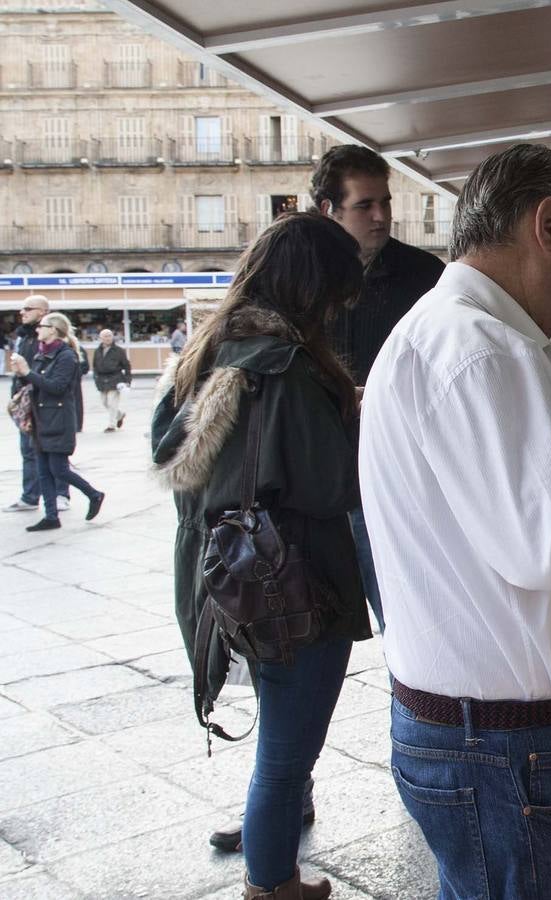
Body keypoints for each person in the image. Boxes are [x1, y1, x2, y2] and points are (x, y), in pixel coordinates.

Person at [359, 142, 551, 900]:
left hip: (496, 746)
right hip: (505, 751)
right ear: (548, 225)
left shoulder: (465, 337)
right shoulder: (479, 348)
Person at [151, 213, 373, 900]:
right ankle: (271, 882)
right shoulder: (285, 367)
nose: (339, 309)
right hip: (294, 582)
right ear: (313, 287)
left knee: (279, 744)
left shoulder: (212, 351)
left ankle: (267, 855)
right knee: (286, 755)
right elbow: (334, 481)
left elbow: (177, 456)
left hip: (227, 576)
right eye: (337, 292)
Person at [316, 143, 445, 632]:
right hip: (323, 479)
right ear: (328, 209)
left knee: (409, 621)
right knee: (314, 633)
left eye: (385, 202)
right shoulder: (305, 279)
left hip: (400, 473)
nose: (379, 216)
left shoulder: (425, 276)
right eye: (364, 205)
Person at [9, 312, 104, 531]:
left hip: (58, 419)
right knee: (43, 470)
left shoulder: (66, 356)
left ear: (53, 329)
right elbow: (36, 383)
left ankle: (94, 494)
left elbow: (57, 387)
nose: (37, 329)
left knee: (59, 469)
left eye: (42, 326)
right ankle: (51, 516)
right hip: (40, 419)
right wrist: (22, 374)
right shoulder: (41, 354)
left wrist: (27, 372)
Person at [5, 294, 64, 513]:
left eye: (27, 309)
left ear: (42, 312)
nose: (22, 312)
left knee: (52, 451)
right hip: (26, 400)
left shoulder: (50, 339)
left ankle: (61, 494)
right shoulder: (24, 337)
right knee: (28, 450)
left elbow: (57, 377)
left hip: (45, 402)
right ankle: (30, 496)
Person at [92, 329, 132, 432]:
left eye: (109, 335)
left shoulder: (119, 351)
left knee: (112, 402)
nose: (107, 338)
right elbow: (95, 366)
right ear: (100, 338)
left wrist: (128, 380)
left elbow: (126, 365)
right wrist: (95, 378)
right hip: (102, 379)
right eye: (105, 336)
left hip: (115, 379)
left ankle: (112, 425)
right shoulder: (97, 351)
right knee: (104, 402)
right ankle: (119, 415)